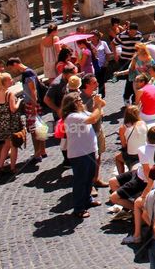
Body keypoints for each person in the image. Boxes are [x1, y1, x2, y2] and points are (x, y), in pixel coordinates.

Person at [62, 88, 105, 218]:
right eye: (79, 100)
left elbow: (98, 114)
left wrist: (98, 103)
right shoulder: (72, 117)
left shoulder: (81, 112)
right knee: (80, 181)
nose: (82, 102)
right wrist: (97, 105)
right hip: (79, 154)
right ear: (73, 103)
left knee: (88, 179)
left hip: (89, 151)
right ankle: (79, 208)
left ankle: (87, 200)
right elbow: (93, 118)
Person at [0, 71, 22, 174]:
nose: (12, 80)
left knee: (6, 144)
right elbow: (13, 109)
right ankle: (13, 168)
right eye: (10, 79)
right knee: (14, 145)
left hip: (1, 123)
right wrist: (19, 101)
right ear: (4, 82)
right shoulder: (9, 94)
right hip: (11, 123)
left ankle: (0, 166)